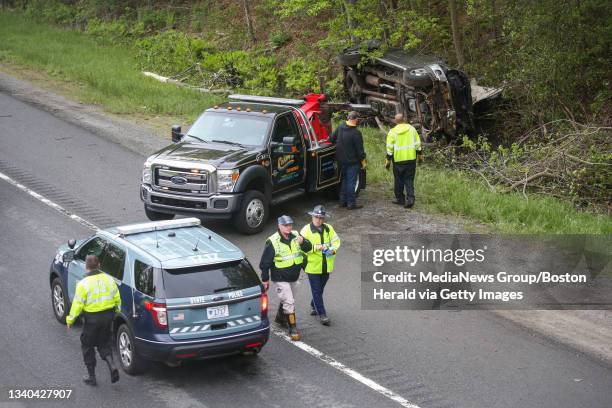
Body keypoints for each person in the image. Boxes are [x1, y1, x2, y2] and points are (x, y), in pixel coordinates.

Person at [66, 255, 121, 386]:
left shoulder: (83, 284)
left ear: (86, 267)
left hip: (92, 320)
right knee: (104, 343)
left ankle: (92, 377)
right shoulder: (109, 280)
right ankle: (112, 365)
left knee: (87, 345)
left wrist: (70, 320)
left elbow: (77, 304)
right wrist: (116, 312)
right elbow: (117, 299)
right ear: (99, 265)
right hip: (108, 317)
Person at [259, 215, 312, 341]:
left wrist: (303, 242)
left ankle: (279, 318)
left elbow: (308, 248)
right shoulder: (272, 241)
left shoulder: (295, 235)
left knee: (289, 299)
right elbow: (265, 263)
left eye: (290, 225)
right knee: (289, 302)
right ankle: (292, 327)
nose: (288, 228)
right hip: (280, 277)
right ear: (279, 226)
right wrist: (265, 279)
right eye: (285, 225)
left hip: (294, 276)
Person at [300, 205, 340, 326]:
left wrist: (332, 250)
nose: (319, 220)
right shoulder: (305, 230)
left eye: (321, 218)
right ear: (312, 216)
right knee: (317, 290)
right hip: (312, 267)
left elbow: (336, 241)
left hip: (326, 266)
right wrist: (315, 248)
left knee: (320, 289)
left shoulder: (329, 229)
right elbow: (301, 249)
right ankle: (322, 314)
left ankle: (313, 304)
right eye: (316, 217)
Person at [330, 111, 366, 210]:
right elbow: (360, 151)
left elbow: (331, 138)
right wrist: (363, 161)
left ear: (348, 118)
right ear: (355, 120)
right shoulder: (356, 133)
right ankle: (351, 203)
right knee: (351, 182)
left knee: (344, 180)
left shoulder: (341, 127)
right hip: (352, 162)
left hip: (341, 161)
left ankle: (342, 202)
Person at [385, 113, 422, 208]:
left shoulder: (392, 132)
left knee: (398, 180)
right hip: (411, 159)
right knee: (409, 179)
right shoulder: (412, 129)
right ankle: (410, 199)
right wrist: (420, 156)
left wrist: (388, 161)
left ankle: (400, 199)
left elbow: (389, 148)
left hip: (398, 161)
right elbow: (418, 144)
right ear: (404, 119)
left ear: (395, 121)